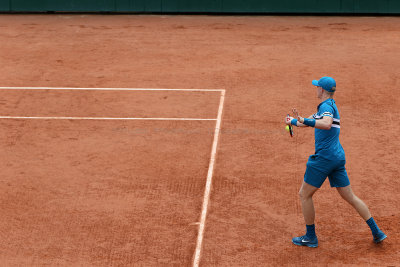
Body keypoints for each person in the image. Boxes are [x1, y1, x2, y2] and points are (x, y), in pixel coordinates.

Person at [285, 77, 387, 248]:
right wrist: (294, 122)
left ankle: (310, 237)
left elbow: (325, 124)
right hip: (337, 157)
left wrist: (303, 120)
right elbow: (312, 121)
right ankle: (377, 232)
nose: (316, 89)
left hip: (324, 158)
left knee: (304, 194)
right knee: (350, 197)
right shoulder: (329, 105)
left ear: (323, 90)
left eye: (317, 87)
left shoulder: (326, 107)